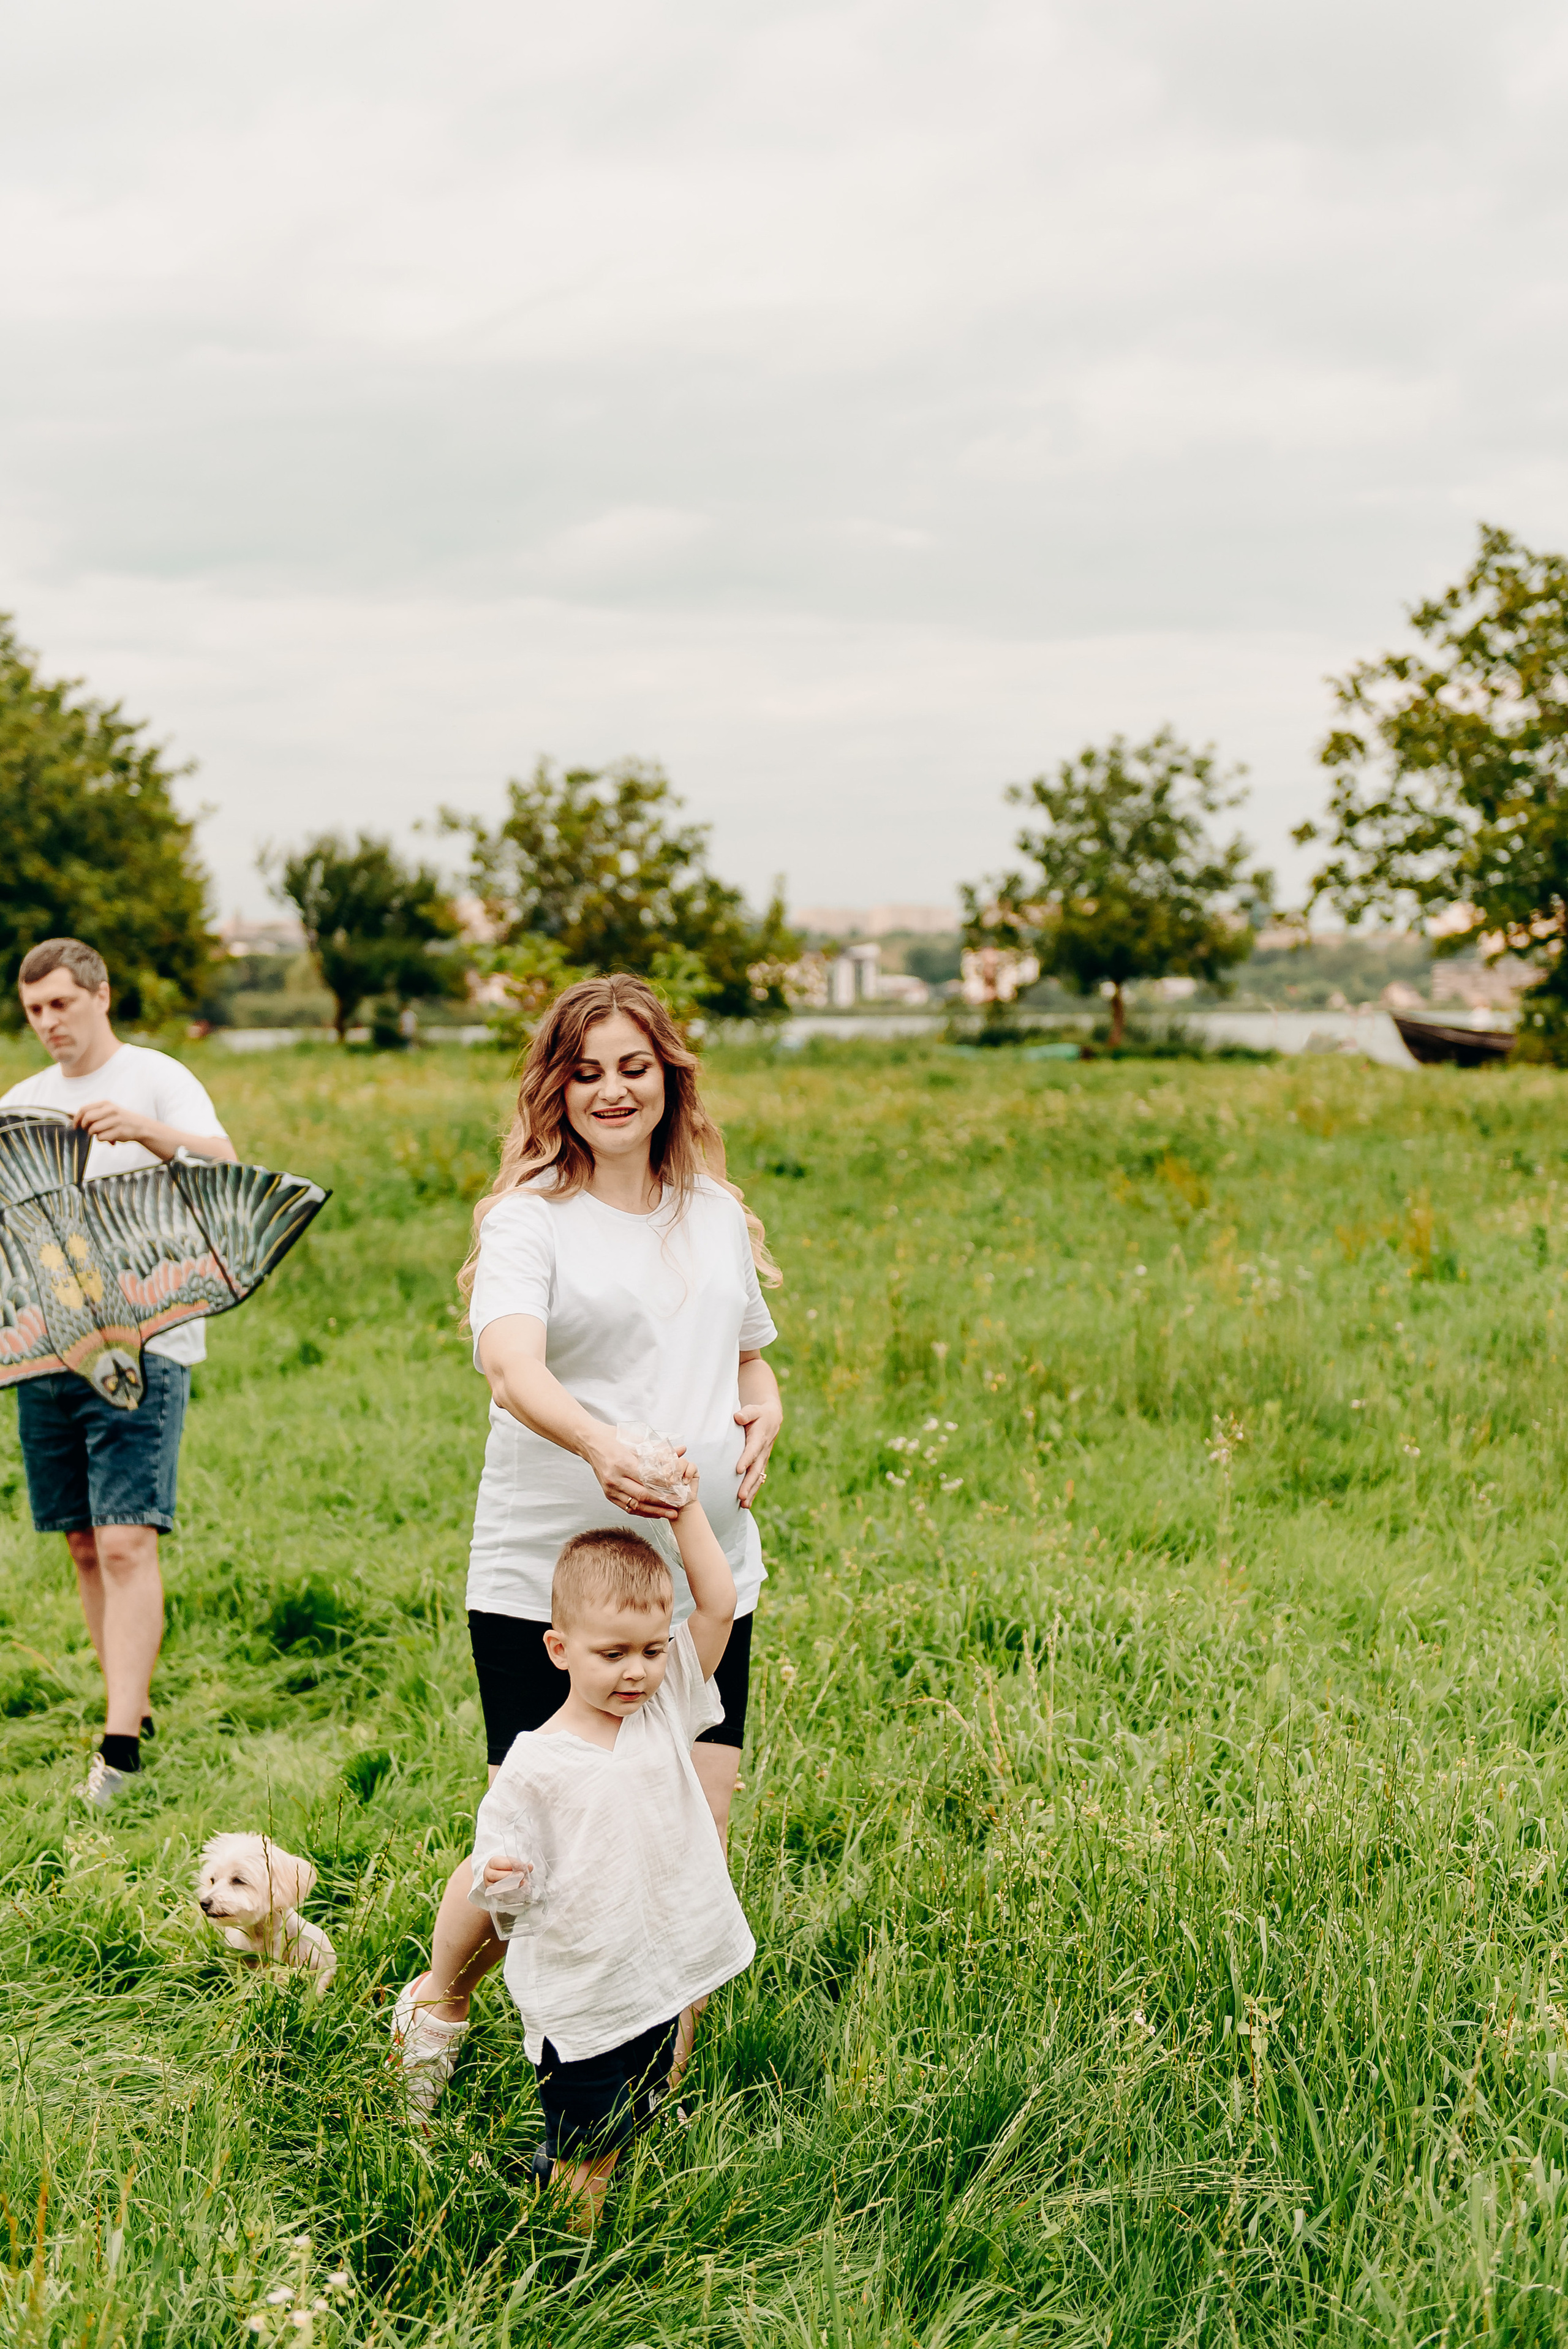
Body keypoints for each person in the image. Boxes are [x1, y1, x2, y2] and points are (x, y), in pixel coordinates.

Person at [390, 972, 782, 2114]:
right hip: (549, 1576)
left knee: (690, 1835)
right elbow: (512, 1366)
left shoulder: (712, 1208)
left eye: (634, 1067)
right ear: (556, 1086)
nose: (613, 1090)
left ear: (669, 1078)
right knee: (548, 1836)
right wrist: (603, 1446)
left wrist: (768, 1399)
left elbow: (745, 1346)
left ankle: (652, 2089)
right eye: (588, 1069)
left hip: (702, 1577)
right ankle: (444, 1996)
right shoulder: (530, 1221)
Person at [470, 1499, 753, 2233]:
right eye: (613, 1655)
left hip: (653, 1979)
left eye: (653, 1651)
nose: (637, 1673)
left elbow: (720, 1602)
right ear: (559, 1649)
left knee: (632, 2114)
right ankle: (572, 2267)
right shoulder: (535, 1764)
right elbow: (500, 1886)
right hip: (583, 1996)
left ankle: (558, 2181)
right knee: (588, 2149)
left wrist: (688, 1508)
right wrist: (503, 1878)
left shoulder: (664, 1709)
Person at [2, 939, 237, 1807]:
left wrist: (148, 1132)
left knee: (130, 1536)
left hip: (145, 1342)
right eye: (34, 1011)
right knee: (82, 1542)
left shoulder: (156, 1077)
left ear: (101, 994)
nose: (48, 1023)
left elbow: (226, 1164)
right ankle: (128, 1709)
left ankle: (121, 1751)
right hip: (49, 1346)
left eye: (62, 1004)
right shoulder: (20, 1102)